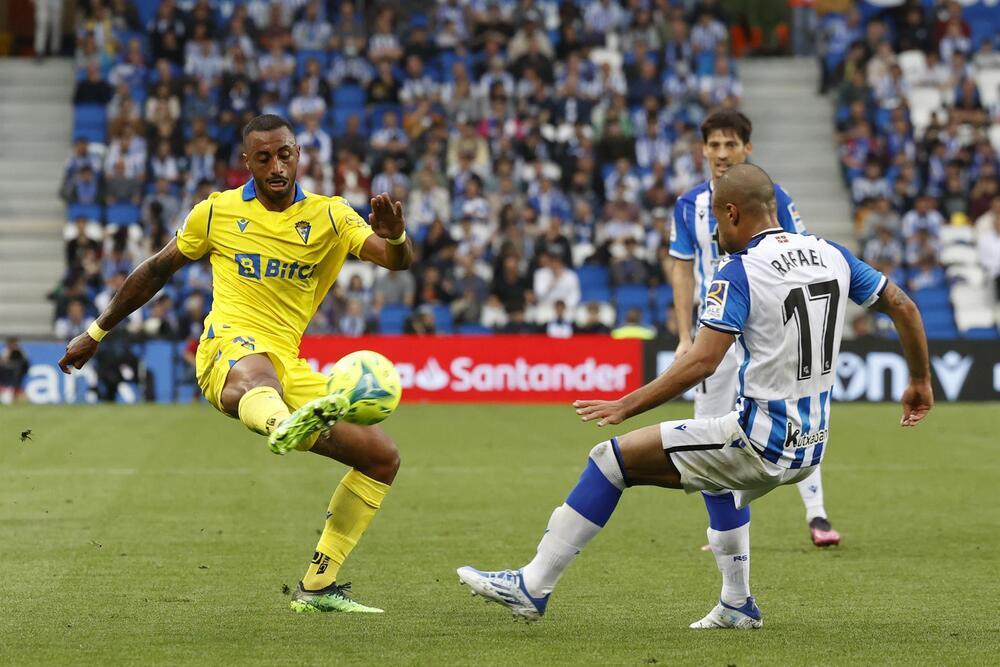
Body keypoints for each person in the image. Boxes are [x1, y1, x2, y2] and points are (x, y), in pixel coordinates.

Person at [457, 163, 932, 627]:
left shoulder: (739, 271)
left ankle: (532, 586)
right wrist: (919, 381)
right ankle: (737, 603)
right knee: (715, 473)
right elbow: (903, 305)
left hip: (761, 443)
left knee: (610, 460)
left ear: (730, 214)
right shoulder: (831, 252)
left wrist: (628, 404)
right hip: (813, 444)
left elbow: (701, 361)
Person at [58, 114, 414, 614]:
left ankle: (317, 587)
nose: (275, 165)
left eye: (284, 154)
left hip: (286, 362)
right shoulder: (217, 212)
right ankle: (281, 424)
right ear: (246, 162)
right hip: (228, 346)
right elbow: (157, 269)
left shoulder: (331, 216)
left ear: (298, 154)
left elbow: (393, 260)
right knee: (257, 376)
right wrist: (96, 331)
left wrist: (396, 238)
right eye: (263, 157)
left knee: (381, 458)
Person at [669, 108, 841, 547]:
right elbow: (683, 269)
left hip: (767, 326)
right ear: (703, 150)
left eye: (731, 144)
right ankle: (725, 528)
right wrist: (685, 334)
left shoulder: (773, 196)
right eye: (714, 145)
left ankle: (817, 515)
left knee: (796, 415)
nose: (722, 154)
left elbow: (801, 249)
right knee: (707, 428)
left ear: (748, 148)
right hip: (717, 330)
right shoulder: (688, 206)